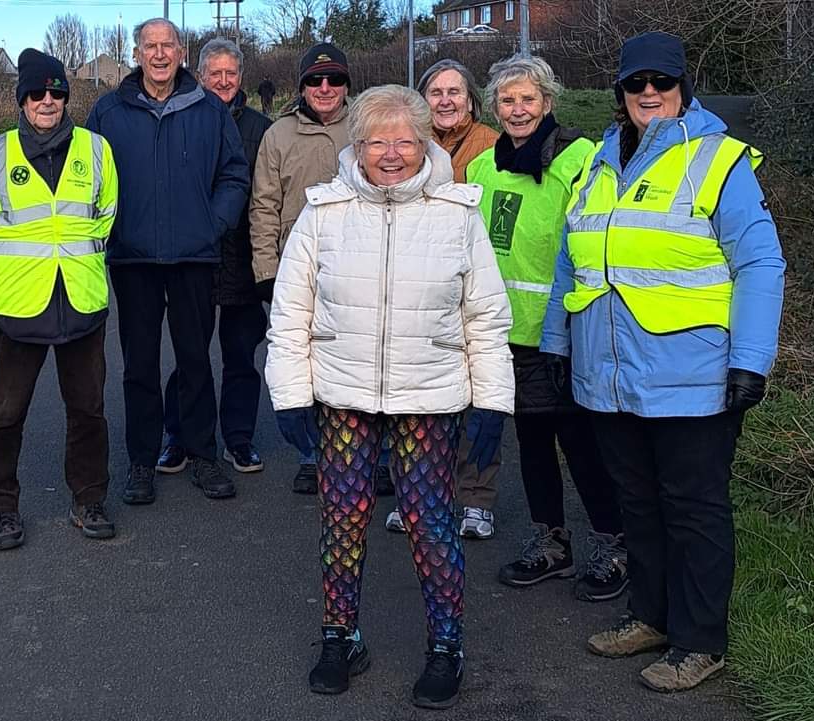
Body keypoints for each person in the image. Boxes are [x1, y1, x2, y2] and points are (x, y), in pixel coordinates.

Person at [540, 32, 785, 691]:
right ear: (620, 91)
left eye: (663, 81)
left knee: (694, 508)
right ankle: (649, 614)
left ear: (683, 87)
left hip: (695, 374)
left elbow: (761, 262)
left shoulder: (718, 160)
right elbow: (573, 257)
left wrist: (752, 360)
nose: (649, 92)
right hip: (609, 375)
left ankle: (700, 639)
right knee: (637, 503)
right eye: (636, 82)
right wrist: (558, 343)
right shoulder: (596, 161)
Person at [265, 84, 515, 709]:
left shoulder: (458, 214)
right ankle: (340, 637)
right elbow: (291, 312)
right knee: (342, 520)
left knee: (431, 524)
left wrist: (492, 401)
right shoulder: (323, 215)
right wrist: (291, 394)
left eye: (406, 140)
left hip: (428, 399)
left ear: (426, 142)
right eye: (378, 141)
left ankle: (446, 646)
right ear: (358, 145)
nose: (393, 153)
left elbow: (484, 316)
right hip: (343, 395)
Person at [463, 55, 629, 601]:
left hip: (562, 332)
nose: (517, 109)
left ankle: (615, 543)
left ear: (548, 102)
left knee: (580, 443)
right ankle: (551, 543)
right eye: (507, 100)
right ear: (495, 107)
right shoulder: (483, 166)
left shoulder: (580, 159)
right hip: (504, 333)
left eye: (528, 99)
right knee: (530, 441)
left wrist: (565, 326)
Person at [0, 49, 119, 550]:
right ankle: (2, 508)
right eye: (36, 93)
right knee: (4, 416)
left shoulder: (96, 150)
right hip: (14, 308)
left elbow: (106, 216)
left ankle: (89, 498)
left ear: (66, 97)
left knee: (89, 412)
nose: (47, 101)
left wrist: (74, 263)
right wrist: (9, 273)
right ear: (21, 101)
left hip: (80, 300)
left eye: (56, 92)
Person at [86, 19, 249, 505]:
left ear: (182, 51)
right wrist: (109, 229)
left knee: (196, 359)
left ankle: (202, 454)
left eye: (168, 46)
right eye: (150, 46)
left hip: (194, 256)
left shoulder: (208, 110)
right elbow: (88, 180)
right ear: (136, 53)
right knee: (139, 364)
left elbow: (234, 175)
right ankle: (142, 460)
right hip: (132, 258)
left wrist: (210, 224)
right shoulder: (109, 111)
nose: (159, 54)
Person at [250, 42, 373, 495]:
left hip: (359, 268)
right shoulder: (278, 136)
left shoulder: (367, 127)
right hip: (296, 271)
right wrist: (266, 268)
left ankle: (365, 454)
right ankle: (312, 453)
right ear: (302, 86)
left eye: (335, 79)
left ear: (346, 85)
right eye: (315, 80)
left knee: (356, 362)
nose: (325, 88)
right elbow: (263, 206)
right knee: (305, 364)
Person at [387, 59, 501, 538]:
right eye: (436, 92)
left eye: (455, 91)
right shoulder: (409, 145)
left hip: (470, 278)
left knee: (475, 396)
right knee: (419, 399)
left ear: (471, 99)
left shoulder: (492, 146)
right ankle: (417, 492)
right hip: (419, 286)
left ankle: (476, 499)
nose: (446, 100)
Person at [157, 39, 272, 476]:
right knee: (191, 356)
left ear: (241, 77)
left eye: (231, 73)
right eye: (214, 73)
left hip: (244, 258)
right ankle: (178, 435)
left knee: (242, 357)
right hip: (196, 259)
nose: (223, 81)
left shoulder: (262, 128)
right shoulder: (185, 118)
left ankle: (238, 439)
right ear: (201, 75)